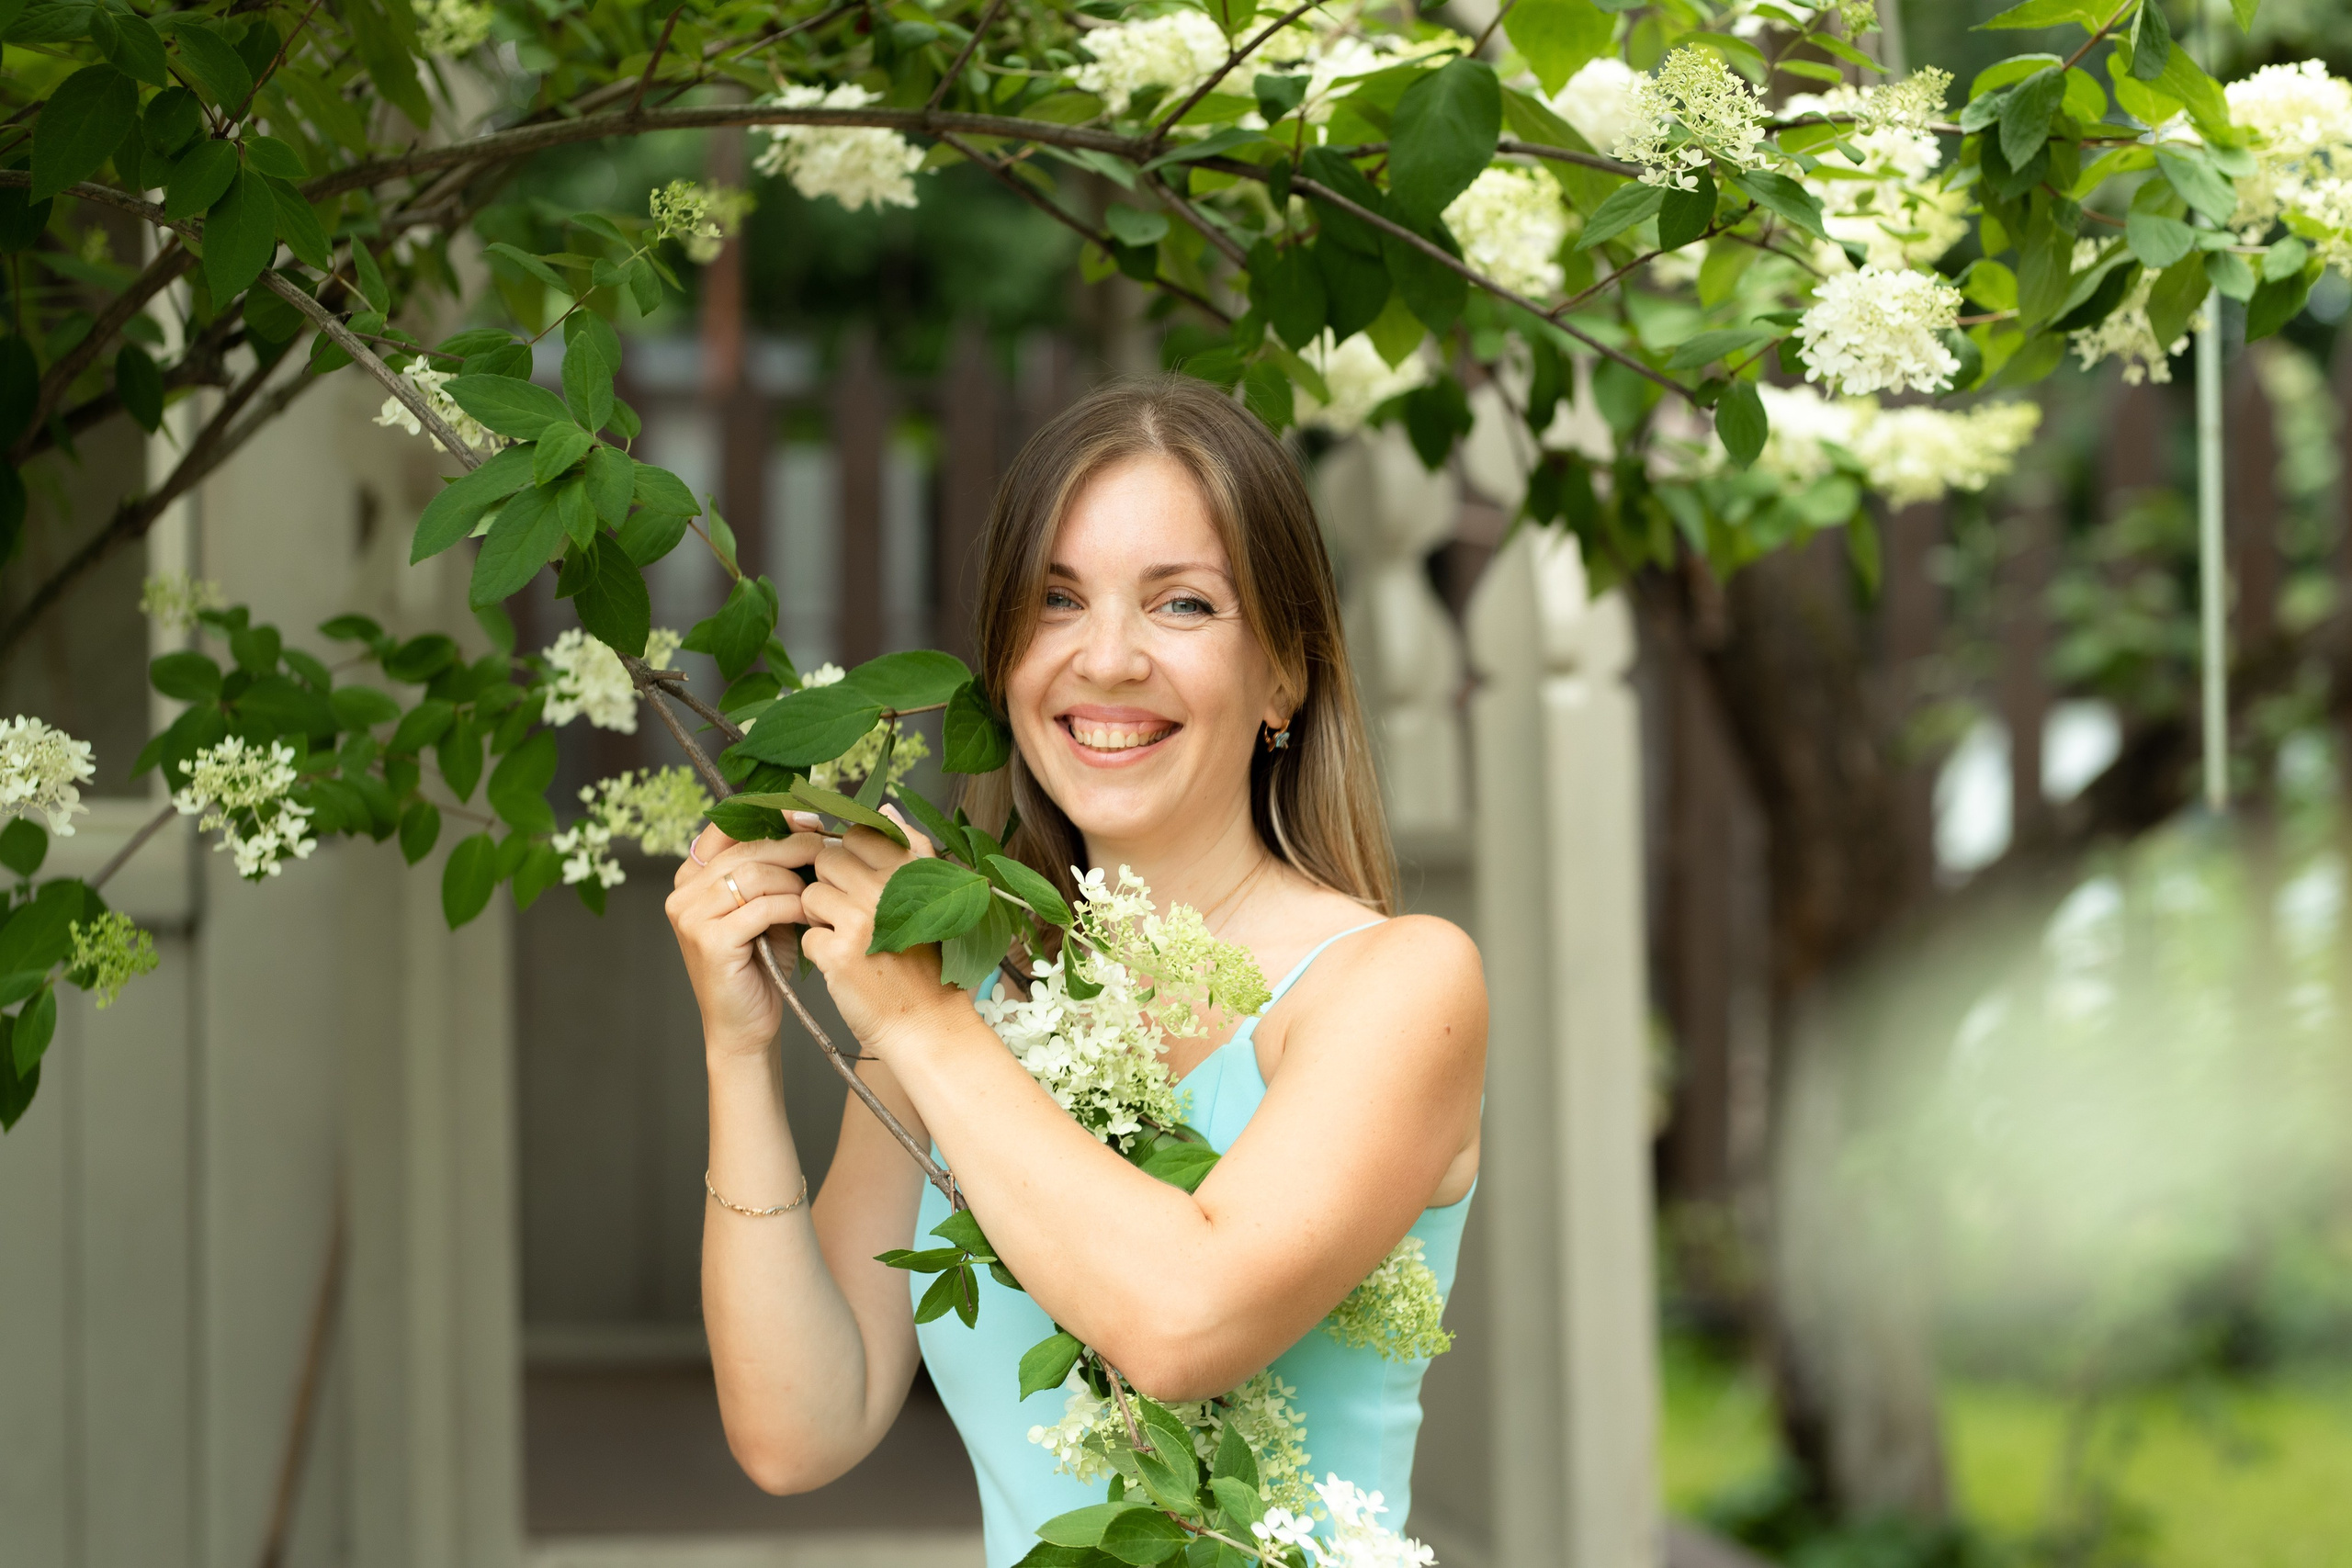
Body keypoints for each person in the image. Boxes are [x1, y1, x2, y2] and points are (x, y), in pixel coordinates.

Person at [668, 376, 1487, 1565]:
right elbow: (804, 1431)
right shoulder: (958, 994)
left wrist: (926, 1025)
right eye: (1057, 600)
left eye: (1184, 604)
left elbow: (1182, 1322)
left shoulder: (1396, 987)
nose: (1106, 659)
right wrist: (738, 1049)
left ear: (1286, 675)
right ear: (1003, 659)